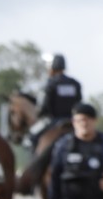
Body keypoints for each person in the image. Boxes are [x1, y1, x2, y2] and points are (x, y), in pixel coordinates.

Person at [19, 53, 84, 188]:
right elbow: (79, 104)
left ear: (52, 67)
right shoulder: (75, 83)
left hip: (54, 122)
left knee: (32, 138)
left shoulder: (51, 83)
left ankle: (33, 174)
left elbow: (43, 108)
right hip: (74, 123)